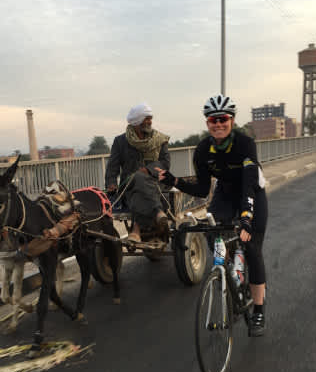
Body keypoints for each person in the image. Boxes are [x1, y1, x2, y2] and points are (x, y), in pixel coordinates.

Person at [156, 94, 268, 337]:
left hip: (252, 193)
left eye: (223, 119)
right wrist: (173, 180)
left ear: (232, 120)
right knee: (212, 229)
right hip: (226, 194)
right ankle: (228, 269)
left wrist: (246, 217)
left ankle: (258, 309)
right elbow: (201, 189)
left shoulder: (245, 144)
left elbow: (248, 183)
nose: (218, 124)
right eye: (212, 120)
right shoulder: (202, 150)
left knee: (251, 246)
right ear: (207, 123)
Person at [105, 103, 170, 242]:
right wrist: (111, 183)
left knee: (139, 183)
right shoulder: (120, 141)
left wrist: (149, 170)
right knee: (138, 182)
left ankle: (136, 229)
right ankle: (158, 211)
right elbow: (112, 167)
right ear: (136, 121)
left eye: (150, 118)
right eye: (146, 118)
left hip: (156, 184)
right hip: (128, 186)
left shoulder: (159, 139)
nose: (150, 122)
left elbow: (165, 163)